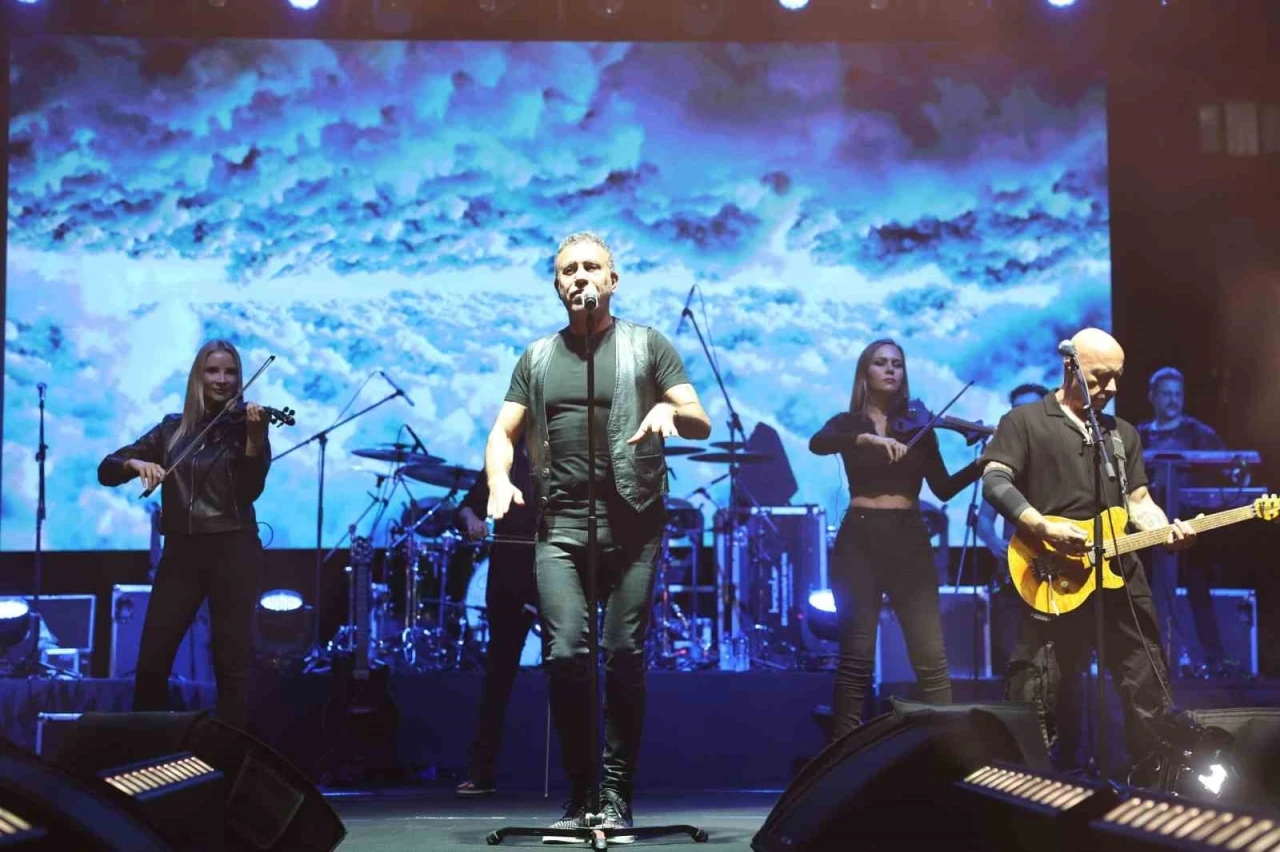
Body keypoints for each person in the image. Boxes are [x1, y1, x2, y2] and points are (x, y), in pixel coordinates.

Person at [485, 232, 711, 837]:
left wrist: (669, 410)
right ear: (557, 285)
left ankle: (615, 790)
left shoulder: (647, 345)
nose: (580, 277)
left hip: (633, 522)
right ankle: (582, 789)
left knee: (624, 653)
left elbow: (699, 419)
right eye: (569, 270)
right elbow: (503, 432)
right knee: (565, 654)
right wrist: (499, 479)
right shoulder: (537, 358)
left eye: (591, 267)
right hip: (559, 524)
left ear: (612, 280)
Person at [981, 328, 1199, 772]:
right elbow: (994, 480)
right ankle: (1040, 788)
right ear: (1070, 367)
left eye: (1118, 377)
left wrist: (1165, 530)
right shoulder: (1024, 421)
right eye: (1100, 377)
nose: (1111, 388)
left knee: (1146, 686)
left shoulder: (1122, 434)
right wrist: (1041, 525)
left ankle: (1152, 787)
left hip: (1120, 578)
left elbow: (1138, 501)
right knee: (1044, 693)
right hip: (1053, 575)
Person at [808, 339, 984, 741]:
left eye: (897, 364)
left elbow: (943, 488)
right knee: (855, 659)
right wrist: (867, 440)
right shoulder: (847, 423)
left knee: (930, 657)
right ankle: (843, 753)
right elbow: (818, 443)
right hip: (859, 538)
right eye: (881, 363)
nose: (890, 370)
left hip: (909, 537)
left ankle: (945, 752)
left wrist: (981, 464)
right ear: (864, 372)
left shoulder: (920, 426)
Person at [98, 340, 270, 732]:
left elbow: (249, 491)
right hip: (182, 553)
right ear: (198, 377)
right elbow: (106, 469)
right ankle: (147, 753)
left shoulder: (248, 427)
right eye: (213, 371)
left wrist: (255, 441)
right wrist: (135, 463)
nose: (222, 379)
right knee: (152, 661)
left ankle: (230, 754)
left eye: (230, 372)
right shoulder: (171, 429)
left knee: (232, 665)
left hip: (233, 548)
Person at [453, 438, 537, 797]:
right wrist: (472, 520)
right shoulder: (506, 457)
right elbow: (466, 508)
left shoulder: (571, 454)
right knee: (499, 675)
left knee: (570, 669)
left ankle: (584, 772)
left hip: (557, 574)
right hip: (509, 577)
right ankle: (482, 769)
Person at [1136, 367, 1228, 674]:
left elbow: (1226, 473)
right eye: (1166, 394)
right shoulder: (1139, 435)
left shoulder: (1200, 434)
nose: (1173, 400)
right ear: (1152, 397)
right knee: (1144, 593)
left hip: (1190, 527)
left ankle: (1213, 662)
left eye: (1178, 394)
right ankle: (1147, 661)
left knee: (1198, 592)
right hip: (1146, 530)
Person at [976, 383, 1052, 676]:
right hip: (1015, 574)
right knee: (1015, 660)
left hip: (1057, 573)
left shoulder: (1062, 456)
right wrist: (997, 545)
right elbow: (984, 521)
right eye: (1015, 410)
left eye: (1029, 409)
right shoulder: (1004, 463)